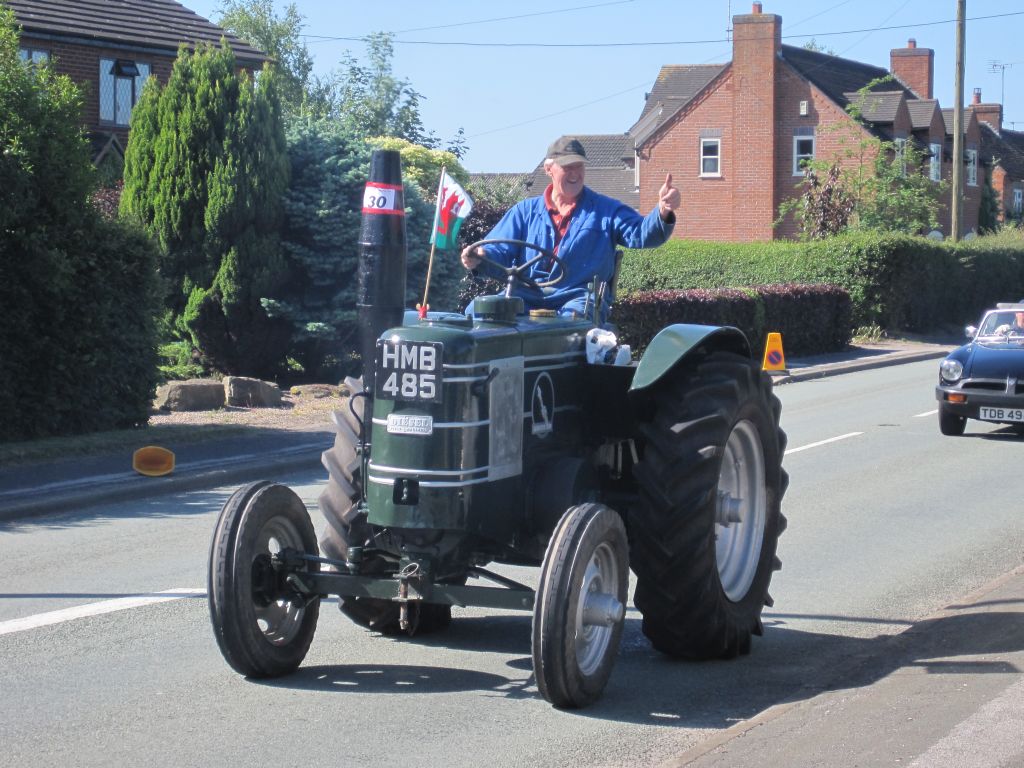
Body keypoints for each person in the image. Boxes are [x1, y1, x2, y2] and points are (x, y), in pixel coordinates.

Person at [461, 136, 681, 322]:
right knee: (477, 313)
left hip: (578, 296)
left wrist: (662, 212)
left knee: (570, 322)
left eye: (579, 166)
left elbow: (641, 233)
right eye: (567, 167)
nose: (575, 173)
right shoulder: (524, 211)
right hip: (525, 296)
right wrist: (480, 256)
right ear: (549, 169)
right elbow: (499, 249)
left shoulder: (606, 210)